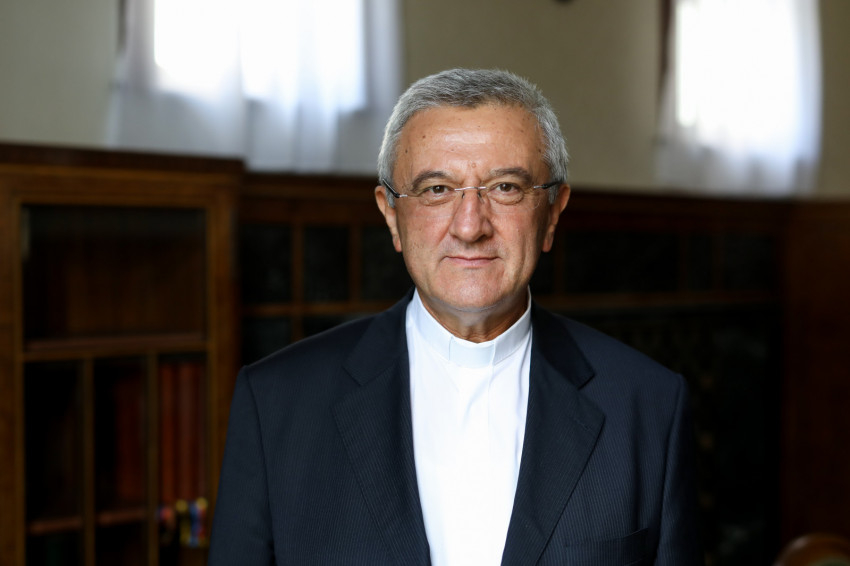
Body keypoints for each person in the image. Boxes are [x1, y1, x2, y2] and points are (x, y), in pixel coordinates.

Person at [208, 68, 703, 565]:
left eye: (505, 187)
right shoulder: (276, 404)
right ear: (391, 214)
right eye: (437, 190)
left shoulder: (648, 406)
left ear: (553, 212)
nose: (470, 227)